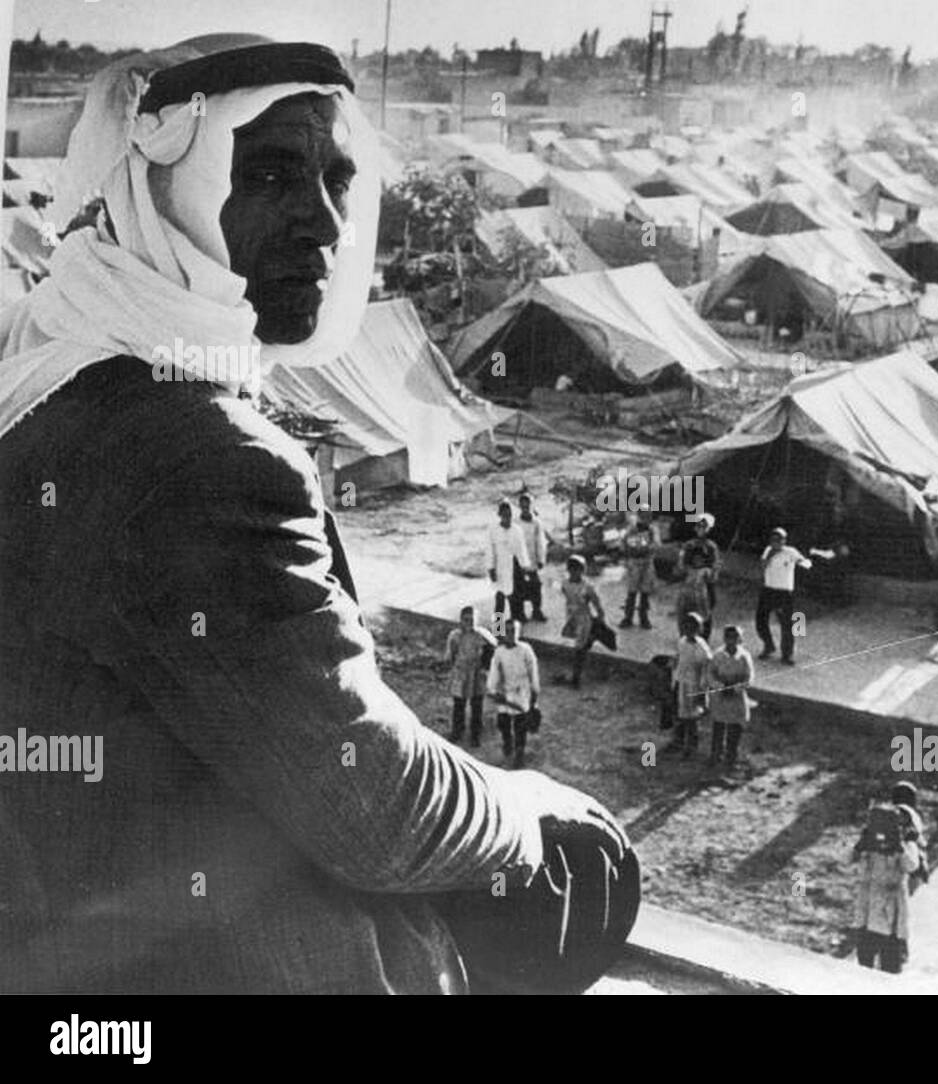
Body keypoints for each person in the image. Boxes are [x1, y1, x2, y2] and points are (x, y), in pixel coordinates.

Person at [0, 35, 636, 995]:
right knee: (588, 868)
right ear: (160, 190)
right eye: (267, 173)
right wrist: (529, 803)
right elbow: (375, 812)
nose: (324, 221)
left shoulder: (56, 360)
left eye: (339, 178)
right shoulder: (200, 456)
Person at [851, 783, 926, 974]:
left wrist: (900, 845)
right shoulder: (873, 838)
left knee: (889, 969)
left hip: (890, 912)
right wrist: (862, 844)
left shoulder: (906, 839)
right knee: (864, 967)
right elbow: (850, 859)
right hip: (869, 910)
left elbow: (912, 865)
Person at [486, 619, 541, 770]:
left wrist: (534, 694)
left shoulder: (526, 650)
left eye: (514, 631)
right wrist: (492, 689)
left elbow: (533, 672)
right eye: (508, 631)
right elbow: (494, 671)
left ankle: (519, 751)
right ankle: (507, 742)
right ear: (504, 633)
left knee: (520, 725)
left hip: (521, 692)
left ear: (519, 632)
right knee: (503, 722)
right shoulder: (499, 651)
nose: (511, 634)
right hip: (504, 691)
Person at [756, 527, 811, 664]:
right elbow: (762, 566)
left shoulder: (790, 552)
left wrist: (803, 563)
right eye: (773, 539)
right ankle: (768, 646)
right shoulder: (768, 550)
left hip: (784, 592)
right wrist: (769, 556)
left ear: (784, 541)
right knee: (760, 620)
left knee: (786, 624)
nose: (776, 542)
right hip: (768, 589)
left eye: (779, 540)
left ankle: (787, 654)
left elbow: (805, 562)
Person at [443, 605, 494, 746]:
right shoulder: (455, 636)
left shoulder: (482, 635)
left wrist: (485, 666)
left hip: (477, 674)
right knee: (459, 704)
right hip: (461, 673)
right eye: (466, 620)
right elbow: (451, 654)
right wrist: (454, 668)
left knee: (476, 705)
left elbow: (492, 649)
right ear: (461, 620)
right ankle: (457, 731)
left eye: (473, 620)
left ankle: (475, 734)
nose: (469, 623)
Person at [708, 625, 754, 769]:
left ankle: (731, 756)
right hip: (720, 695)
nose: (731, 641)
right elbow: (710, 674)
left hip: (736, 696)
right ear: (724, 638)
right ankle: (716, 754)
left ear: (740, 639)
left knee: (735, 726)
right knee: (719, 725)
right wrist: (719, 686)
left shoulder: (744, 657)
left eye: (735, 637)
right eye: (729, 637)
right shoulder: (718, 655)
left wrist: (736, 688)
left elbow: (749, 677)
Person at [668, 612, 712, 758]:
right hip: (680, 681)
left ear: (699, 629)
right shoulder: (682, 642)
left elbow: (706, 671)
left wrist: (702, 692)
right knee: (679, 713)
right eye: (686, 626)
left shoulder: (702, 649)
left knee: (691, 716)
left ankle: (691, 746)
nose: (689, 630)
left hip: (693, 685)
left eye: (693, 627)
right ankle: (678, 740)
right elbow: (678, 657)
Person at [559, 554, 604, 689]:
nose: (574, 572)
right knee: (579, 643)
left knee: (579, 647)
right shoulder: (565, 584)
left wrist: (600, 615)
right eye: (571, 569)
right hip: (572, 616)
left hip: (583, 617)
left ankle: (576, 677)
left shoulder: (587, 587)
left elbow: (596, 602)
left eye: (577, 569)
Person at [487, 500, 531, 625]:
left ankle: (515, 624)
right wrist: (491, 569)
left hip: (515, 567)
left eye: (510, 515)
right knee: (500, 598)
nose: (507, 518)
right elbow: (490, 550)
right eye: (504, 515)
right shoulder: (493, 530)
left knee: (515, 597)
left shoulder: (517, 530)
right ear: (500, 515)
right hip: (500, 568)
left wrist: (524, 567)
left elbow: (522, 549)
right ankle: (498, 627)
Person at [618, 510, 656, 630]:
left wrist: (645, 548)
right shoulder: (632, 529)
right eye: (644, 515)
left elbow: (654, 545)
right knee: (632, 591)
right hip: (634, 562)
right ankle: (628, 618)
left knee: (645, 592)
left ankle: (643, 618)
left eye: (648, 515)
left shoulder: (651, 530)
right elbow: (625, 545)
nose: (646, 518)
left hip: (647, 562)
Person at [678, 512, 721, 611]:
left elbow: (715, 564)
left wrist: (709, 572)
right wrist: (689, 571)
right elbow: (681, 563)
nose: (701, 529)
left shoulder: (712, 546)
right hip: (691, 581)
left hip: (706, 581)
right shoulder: (688, 545)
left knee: (709, 604)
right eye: (699, 526)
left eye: (704, 527)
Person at [516, 493, 548, 623]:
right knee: (505, 597)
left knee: (535, 586)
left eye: (527, 506)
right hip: (516, 563)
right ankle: (498, 629)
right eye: (522, 506)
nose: (525, 508)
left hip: (531, 561)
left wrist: (541, 559)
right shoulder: (514, 523)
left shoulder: (536, 522)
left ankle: (536, 611)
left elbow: (540, 542)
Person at [676, 550, 714, 641]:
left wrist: (715, 568)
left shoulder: (705, 570)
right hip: (685, 599)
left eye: (700, 559)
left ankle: (701, 638)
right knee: (684, 619)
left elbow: (711, 577)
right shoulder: (687, 569)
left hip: (700, 600)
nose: (698, 561)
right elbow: (679, 570)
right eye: (695, 559)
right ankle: (684, 637)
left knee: (701, 618)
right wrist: (681, 557)